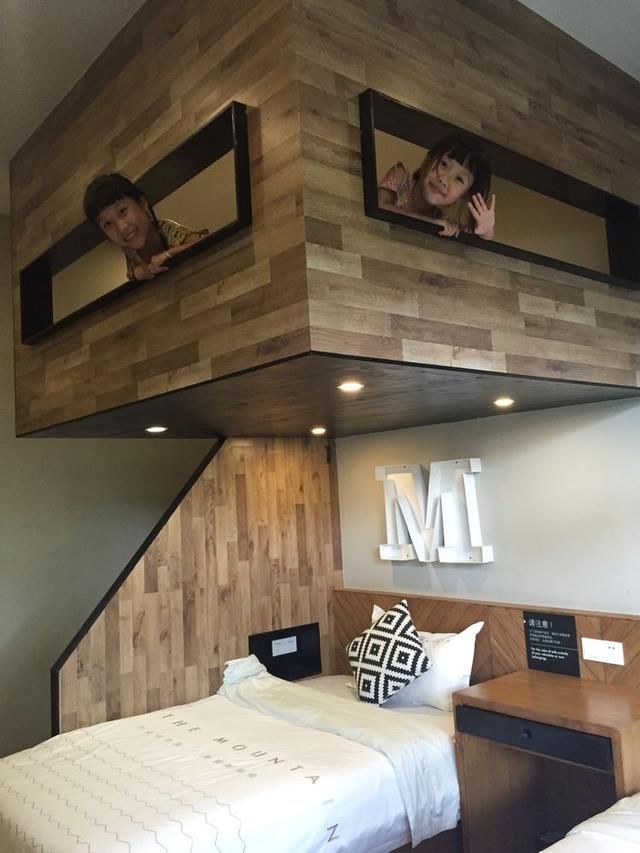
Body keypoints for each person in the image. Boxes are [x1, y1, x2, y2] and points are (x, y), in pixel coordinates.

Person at [83, 173, 209, 281]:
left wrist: (168, 255)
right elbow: (132, 274)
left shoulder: (166, 229)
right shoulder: (129, 252)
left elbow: (204, 241)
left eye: (122, 211)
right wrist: (140, 272)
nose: (121, 228)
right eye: (107, 224)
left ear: (142, 204)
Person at [377, 132, 496, 239]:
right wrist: (430, 223)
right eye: (443, 164)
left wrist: (487, 230)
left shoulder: (441, 218)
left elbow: (475, 234)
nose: (444, 179)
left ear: (464, 194)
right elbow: (379, 205)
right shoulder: (401, 176)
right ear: (427, 161)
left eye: (459, 179)